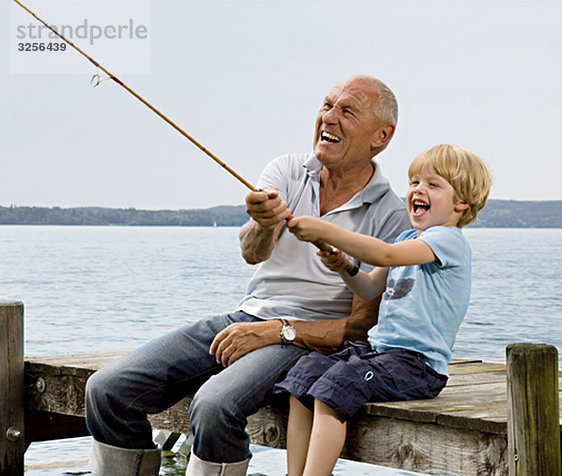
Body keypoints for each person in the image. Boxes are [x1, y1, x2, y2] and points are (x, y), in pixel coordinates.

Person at [84, 75, 412, 476]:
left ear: (381, 135)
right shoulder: (287, 169)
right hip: (245, 316)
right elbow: (252, 253)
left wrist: (277, 331)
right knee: (106, 390)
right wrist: (261, 222)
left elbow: (361, 327)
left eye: (347, 111)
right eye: (326, 105)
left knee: (214, 406)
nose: (329, 117)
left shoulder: (391, 213)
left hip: (309, 340)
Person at [277, 144, 492, 476]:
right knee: (306, 375)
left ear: (461, 202)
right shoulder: (408, 236)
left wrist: (325, 229)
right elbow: (370, 287)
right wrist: (344, 267)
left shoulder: (448, 240)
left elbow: (384, 256)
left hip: (417, 366)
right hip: (380, 354)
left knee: (337, 385)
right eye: (415, 182)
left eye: (433, 185)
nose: (419, 190)